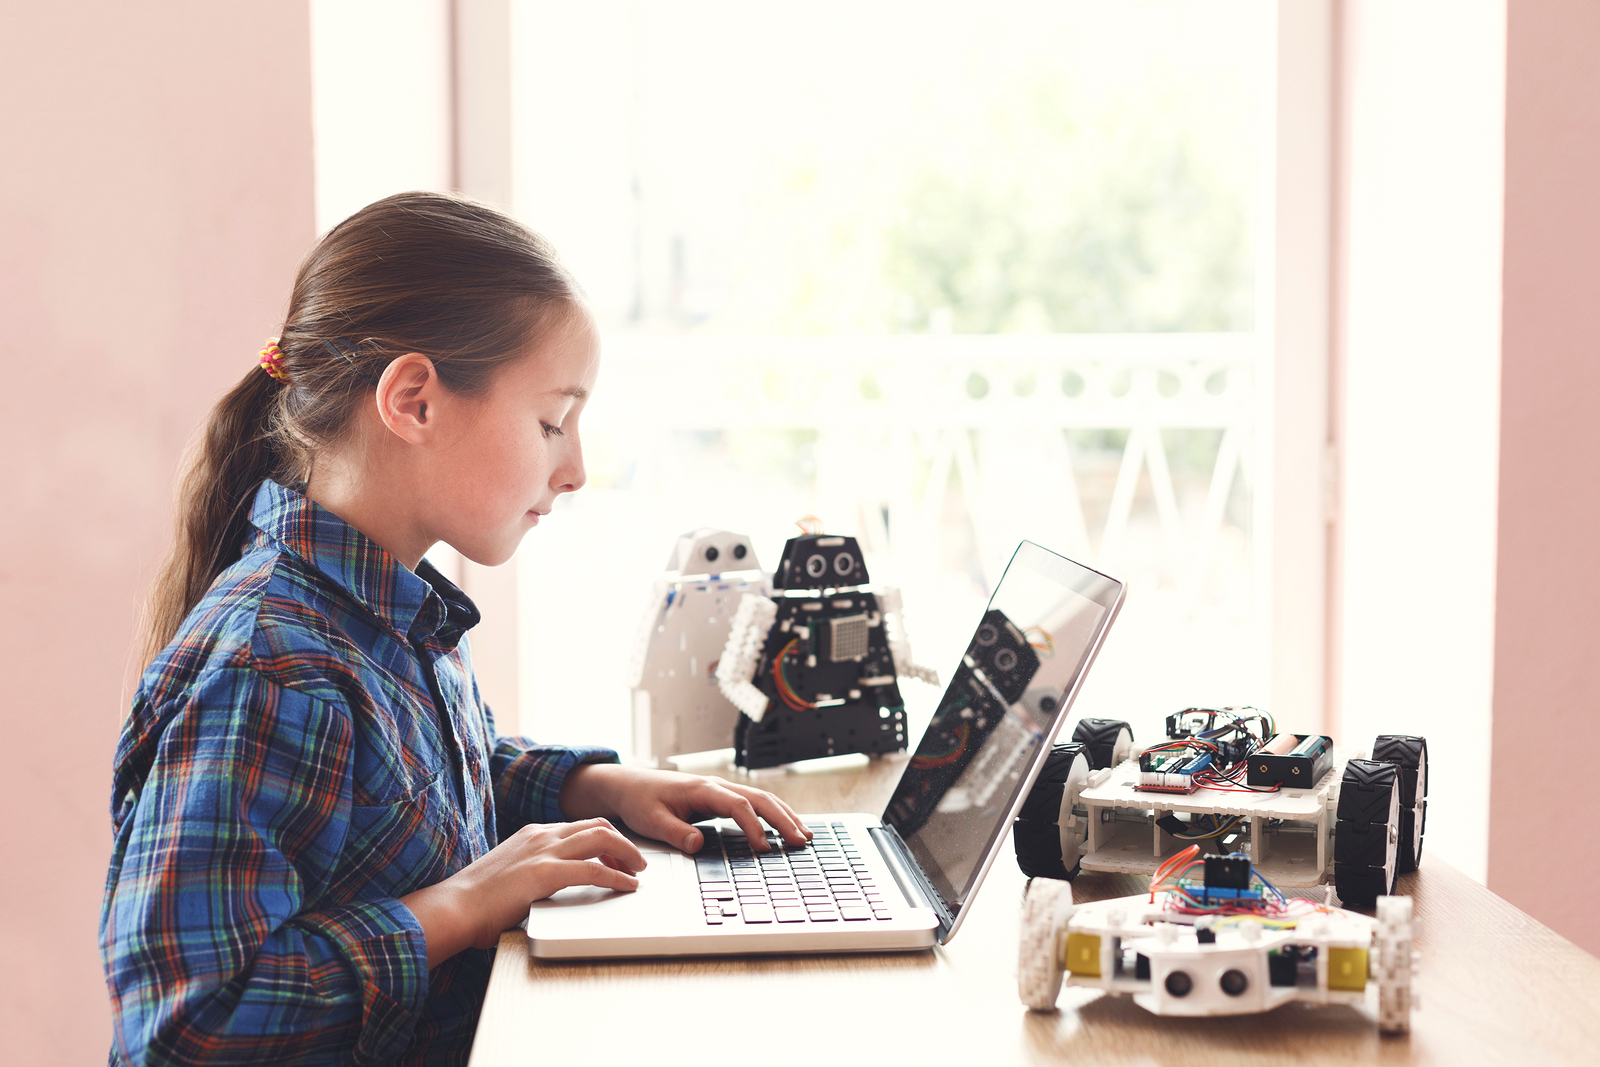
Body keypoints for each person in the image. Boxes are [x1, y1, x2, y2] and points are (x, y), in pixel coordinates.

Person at [100, 192, 811, 1067]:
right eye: (553, 421)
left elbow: (408, 795)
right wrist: (460, 905)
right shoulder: (268, 666)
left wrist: (603, 786)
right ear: (414, 401)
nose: (577, 468)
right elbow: (186, 1031)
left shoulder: (389, 611)